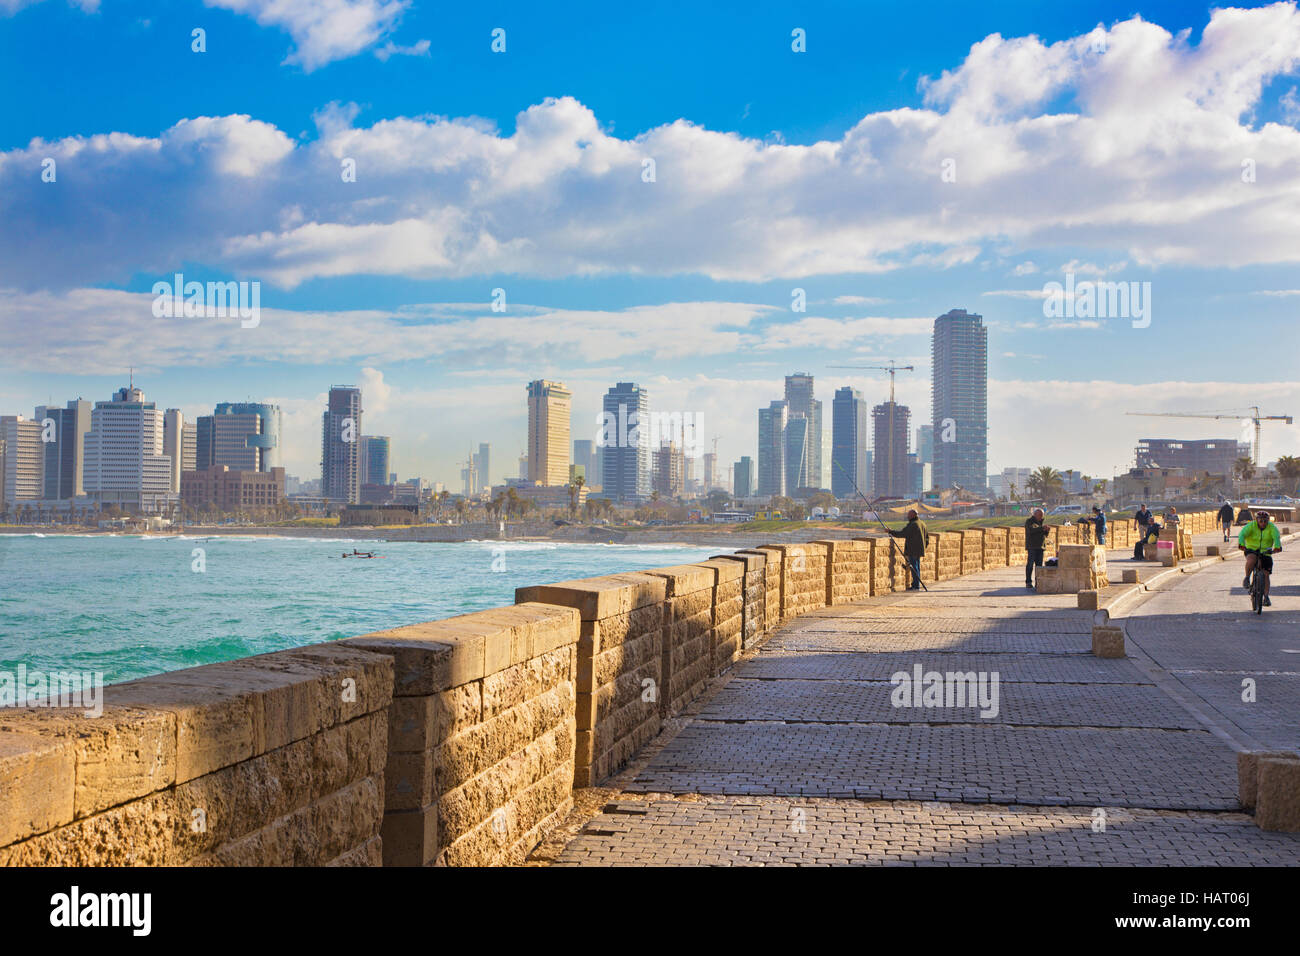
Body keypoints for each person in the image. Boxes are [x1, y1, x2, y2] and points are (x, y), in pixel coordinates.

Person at [1238, 510, 1282, 606]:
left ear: (1268, 521)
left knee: (1266, 574)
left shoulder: (1272, 527)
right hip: (1251, 549)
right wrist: (1241, 544)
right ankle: (1247, 578)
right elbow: (1242, 534)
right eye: (1260, 521)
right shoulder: (1251, 526)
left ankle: (1266, 597)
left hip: (1266, 551)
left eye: (1265, 521)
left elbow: (1276, 537)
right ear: (1256, 520)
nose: (1263, 523)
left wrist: (1277, 547)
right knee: (1251, 559)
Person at [887, 509, 928, 590]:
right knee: (917, 567)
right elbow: (927, 539)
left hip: (913, 550)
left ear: (913, 515)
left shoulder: (913, 524)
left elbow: (903, 533)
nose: (907, 516)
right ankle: (916, 585)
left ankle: (915, 586)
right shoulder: (922, 524)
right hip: (919, 549)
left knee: (914, 567)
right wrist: (923, 547)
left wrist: (890, 531)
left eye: (909, 515)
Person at [1025, 508, 1050, 588]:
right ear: (1035, 514)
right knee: (1030, 565)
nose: (1041, 517)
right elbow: (1031, 530)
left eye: (1042, 516)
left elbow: (1045, 535)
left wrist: (1046, 530)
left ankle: (1038, 582)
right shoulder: (1029, 521)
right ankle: (1028, 582)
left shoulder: (1040, 523)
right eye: (1040, 515)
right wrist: (1042, 528)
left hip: (1040, 547)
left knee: (1039, 566)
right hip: (1032, 546)